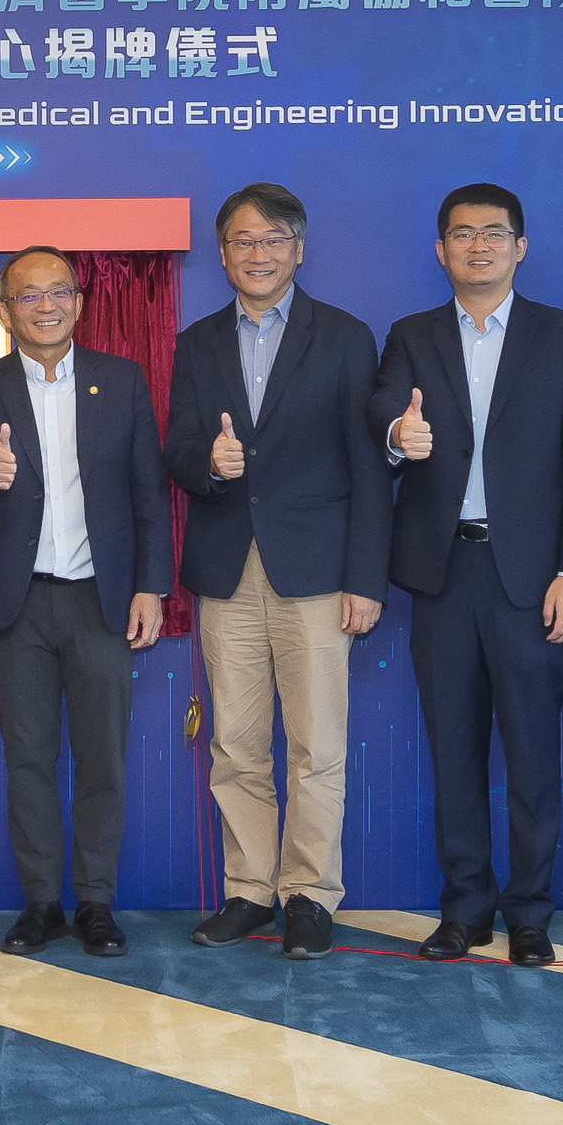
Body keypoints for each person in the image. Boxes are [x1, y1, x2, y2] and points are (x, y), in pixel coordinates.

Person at [371, 184, 563, 967]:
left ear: (520, 247)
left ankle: (529, 914)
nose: (479, 246)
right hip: (444, 574)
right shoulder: (410, 335)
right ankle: (464, 908)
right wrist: (400, 438)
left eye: (494, 234)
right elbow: (379, 422)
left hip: (534, 578)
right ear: (440, 250)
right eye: (462, 234)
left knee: (535, 755)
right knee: (455, 751)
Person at [165, 183, 385, 958]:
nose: (257, 255)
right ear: (222, 253)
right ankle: (250, 890)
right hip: (228, 569)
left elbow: (368, 464)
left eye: (273, 240)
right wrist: (209, 463)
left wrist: (367, 577)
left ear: (298, 248)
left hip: (319, 571)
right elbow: (178, 451)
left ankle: (310, 896)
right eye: (241, 242)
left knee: (318, 743)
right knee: (236, 742)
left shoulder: (346, 338)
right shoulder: (196, 344)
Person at [0, 245, 169, 955]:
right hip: (18, 603)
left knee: (103, 759)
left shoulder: (121, 380)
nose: (46, 305)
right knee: (29, 759)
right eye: (28, 294)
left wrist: (150, 586)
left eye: (60, 291)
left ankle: (96, 904)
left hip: (100, 600)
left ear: (81, 300)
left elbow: (146, 494)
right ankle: (41, 902)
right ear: (4, 309)